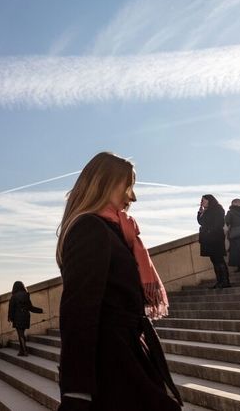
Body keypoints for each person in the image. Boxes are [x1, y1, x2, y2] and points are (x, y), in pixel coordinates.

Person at [56, 152, 182, 411]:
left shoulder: (116, 231)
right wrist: (77, 391)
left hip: (128, 354)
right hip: (113, 364)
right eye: (127, 186)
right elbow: (78, 311)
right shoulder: (89, 228)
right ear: (103, 184)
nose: (132, 197)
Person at [198, 194, 230, 288]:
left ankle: (225, 281)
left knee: (219, 259)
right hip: (208, 239)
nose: (202, 202)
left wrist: (209, 232)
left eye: (203, 200)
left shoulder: (218, 209)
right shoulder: (206, 211)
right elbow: (201, 222)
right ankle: (219, 281)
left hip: (215, 238)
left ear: (209, 200)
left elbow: (218, 224)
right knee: (214, 260)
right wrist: (200, 213)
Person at [7, 281, 43, 356]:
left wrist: (10, 317)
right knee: (22, 333)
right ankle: (21, 350)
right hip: (26, 316)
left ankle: (24, 350)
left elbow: (11, 308)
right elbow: (30, 307)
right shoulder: (26, 295)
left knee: (20, 334)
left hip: (17, 317)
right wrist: (40, 310)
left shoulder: (13, 296)